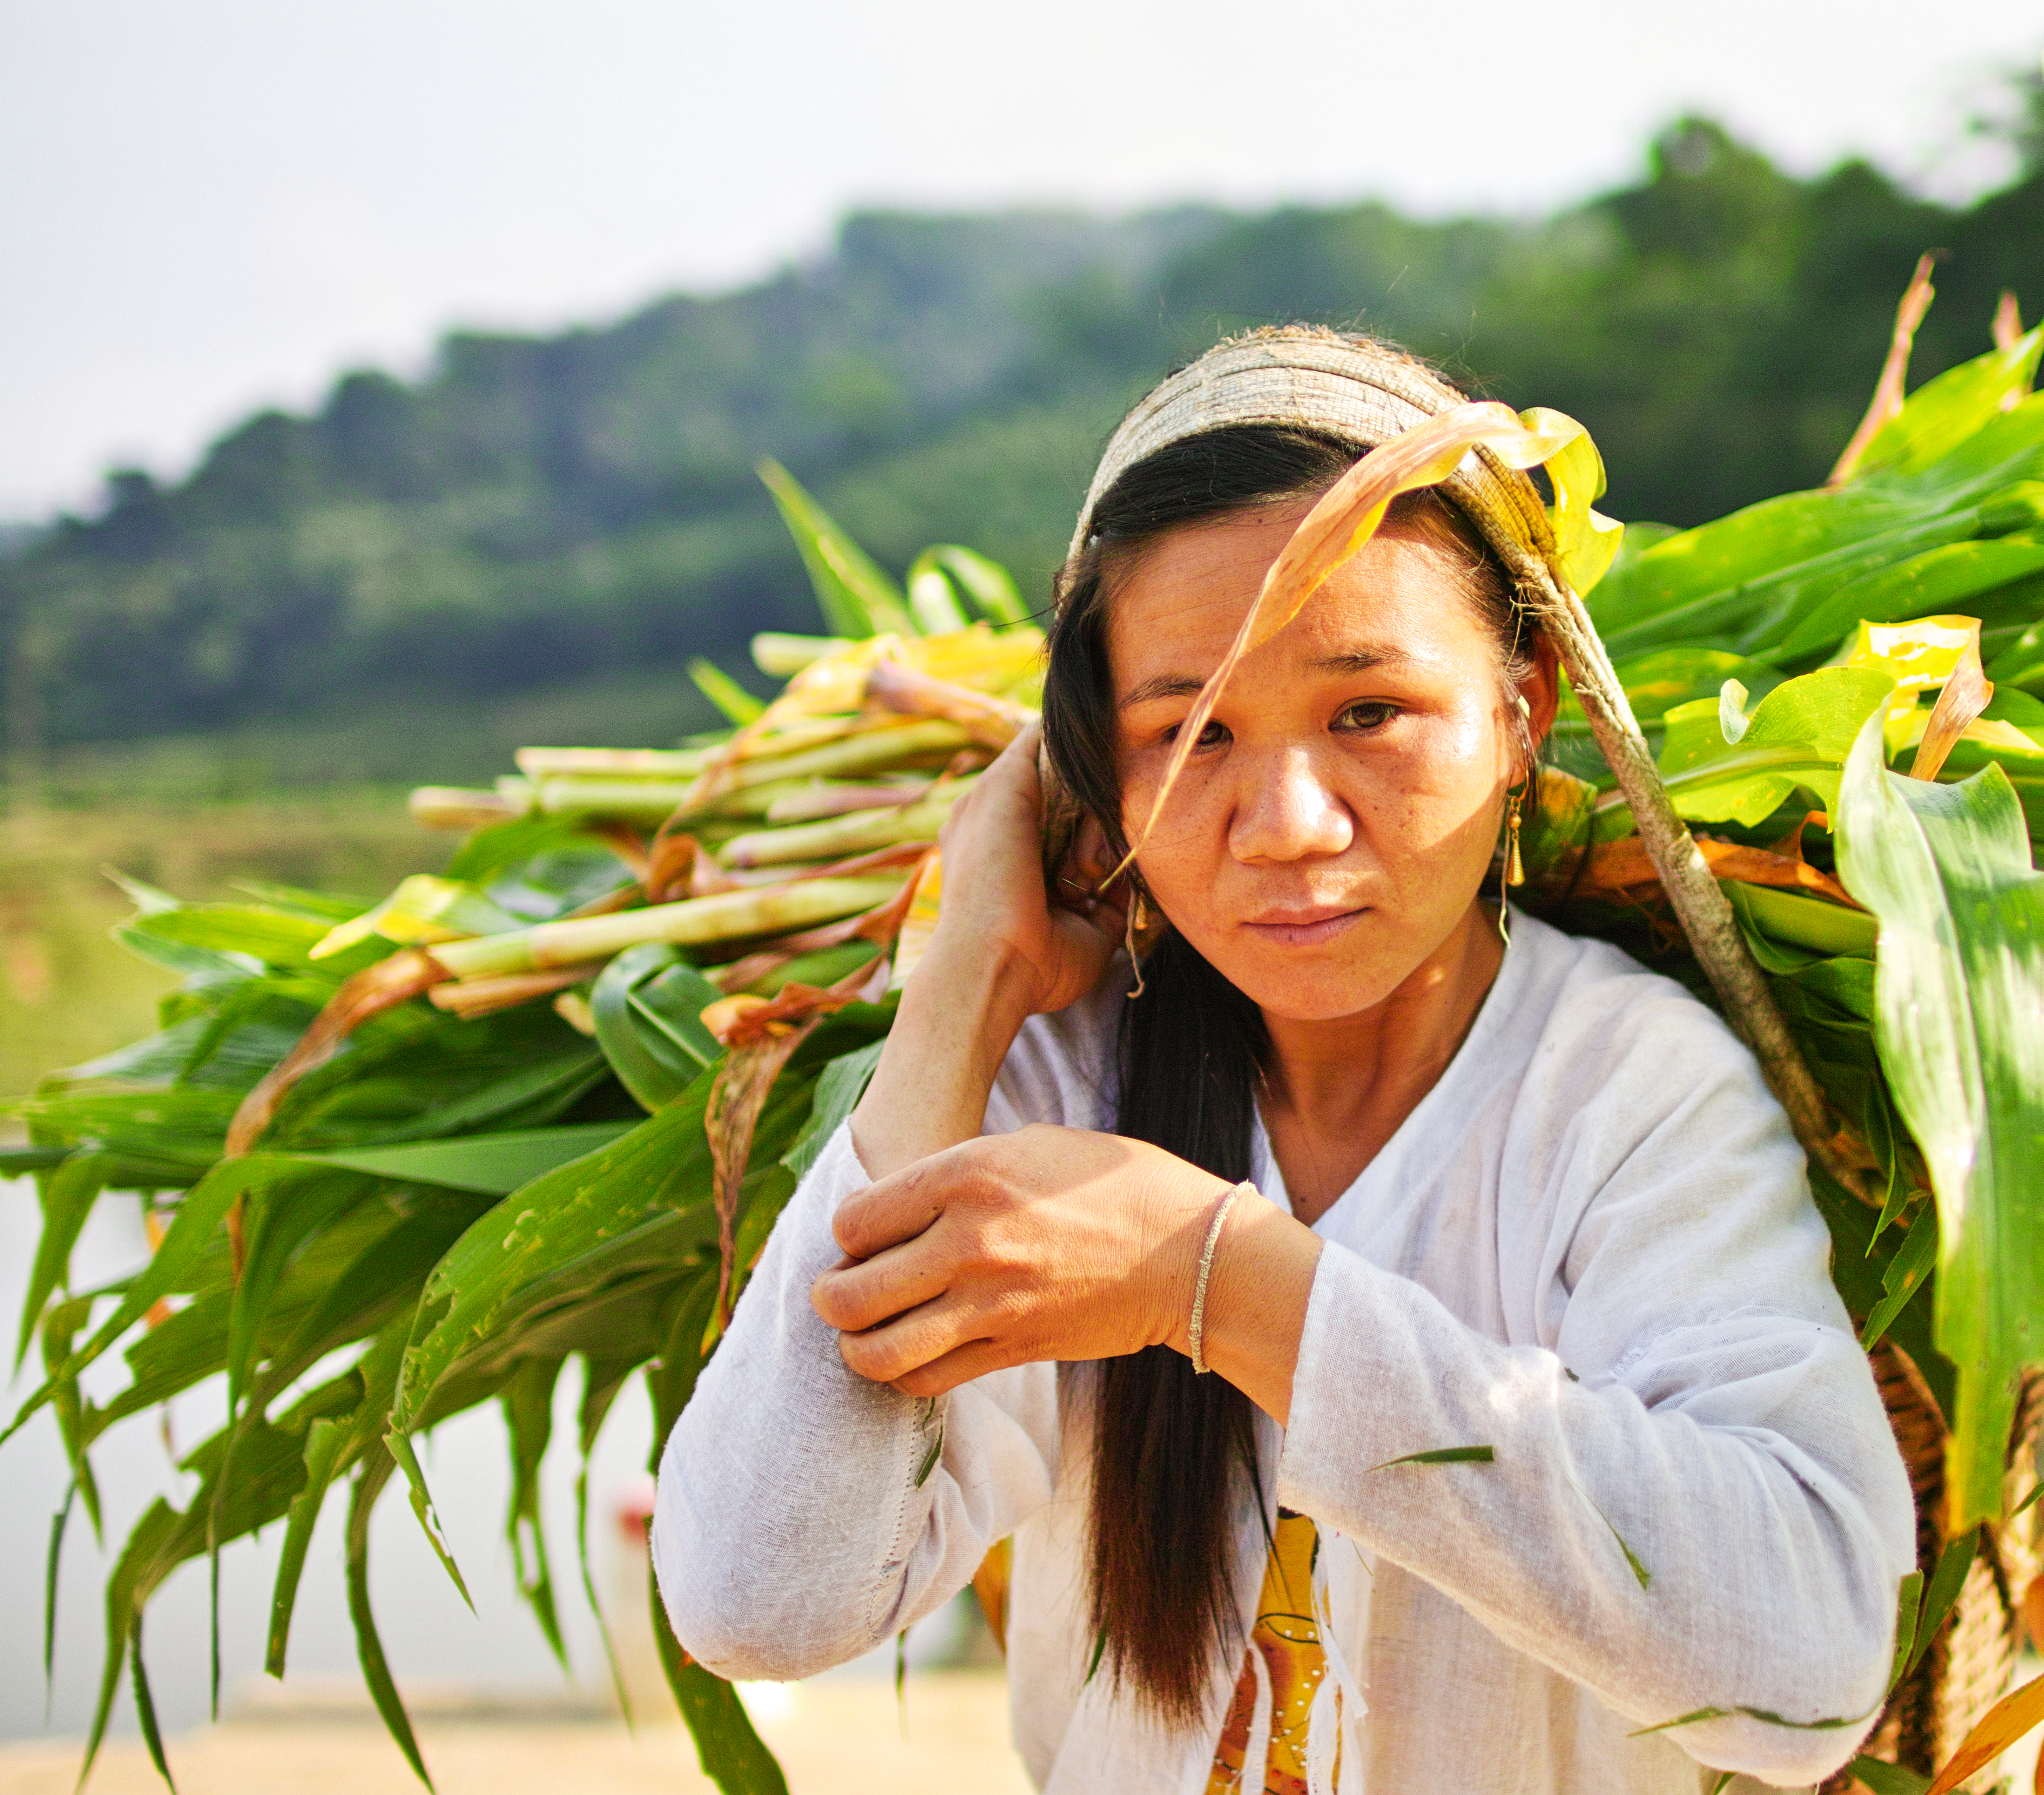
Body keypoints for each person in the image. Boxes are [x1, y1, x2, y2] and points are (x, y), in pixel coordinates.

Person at [653, 326, 1915, 1795]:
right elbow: (759, 1598)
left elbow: (1812, 1663)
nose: (1289, 822)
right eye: (1188, 732)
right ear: (1091, 773)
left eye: (1368, 711)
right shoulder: (1067, 1087)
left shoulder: (1624, 1093)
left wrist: (1217, 1278)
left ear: (1525, 709)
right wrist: (966, 979)